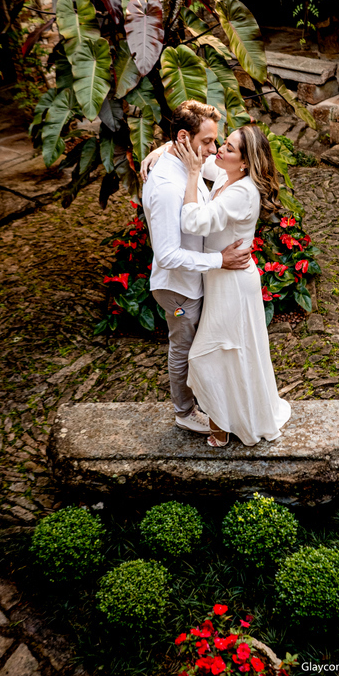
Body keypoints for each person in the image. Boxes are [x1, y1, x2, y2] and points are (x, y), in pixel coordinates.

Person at [173, 123, 292, 448]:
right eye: (222, 144)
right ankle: (228, 423)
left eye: (228, 148)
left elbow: (192, 221)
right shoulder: (229, 175)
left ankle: (223, 427)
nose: (219, 151)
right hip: (221, 278)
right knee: (230, 354)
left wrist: (194, 176)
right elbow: (202, 156)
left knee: (209, 355)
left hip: (233, 283)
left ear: (244, 161)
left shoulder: (242, 193)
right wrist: (161, 151)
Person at [141, 100, 251, 435]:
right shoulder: (164, 187)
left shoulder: (188, 161)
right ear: (186, 139)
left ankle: (206, 402)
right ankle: (184, 412)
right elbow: (167, 255)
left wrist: (163, 146)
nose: (213, 150)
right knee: (183, 347)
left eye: (216, 141)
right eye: (207, 142)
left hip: (195, 280)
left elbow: (218, 168)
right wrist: (220, 260)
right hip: (178, 289)